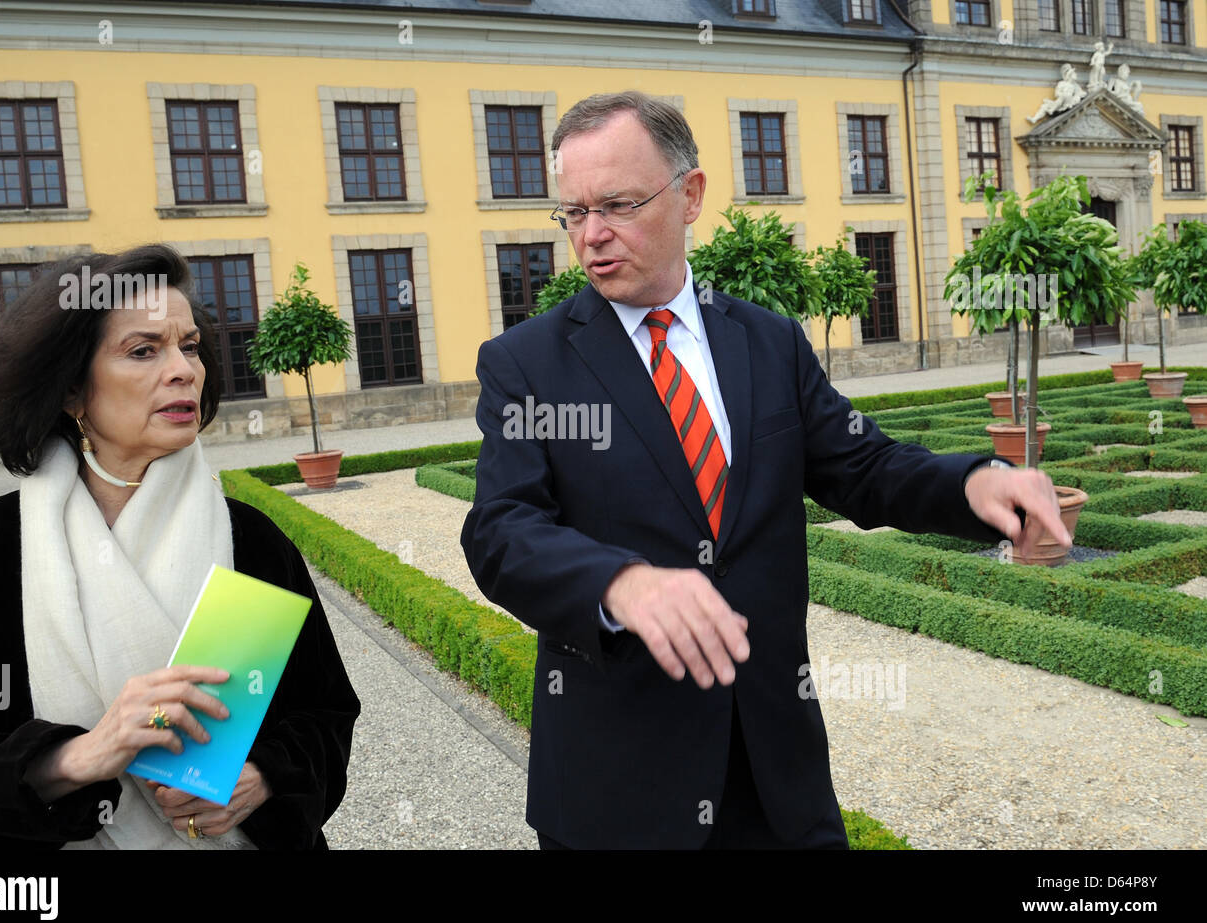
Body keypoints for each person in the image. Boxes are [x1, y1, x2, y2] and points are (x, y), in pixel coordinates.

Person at [460, 91, 1073, 850]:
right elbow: (500, 531)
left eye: (616, 204)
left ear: (690, 195)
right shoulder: (526, 363)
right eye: (573, 212)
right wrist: (618, 582)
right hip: (620, 793)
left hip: (778, 776)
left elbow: (864, 465)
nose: (591, 235)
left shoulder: (766, 340)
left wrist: (973, 483)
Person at [0, 245, 361, 849]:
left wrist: (263, 779)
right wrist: (75, 758)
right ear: (69, 388)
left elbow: (323, 716)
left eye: (190, 346)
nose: (183, 370)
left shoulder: (251, 539)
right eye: (143, 350)